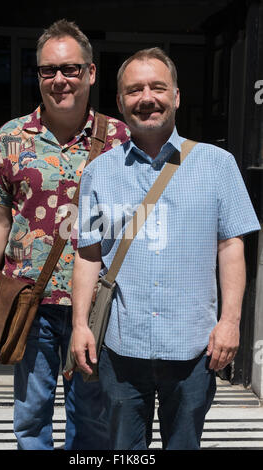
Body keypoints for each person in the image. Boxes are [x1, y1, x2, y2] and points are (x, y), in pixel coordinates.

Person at [71, 47, 261, 450]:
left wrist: (231, 322)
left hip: (193, 347)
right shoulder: (99, 173)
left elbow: (231, 247)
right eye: (134, 90)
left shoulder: (218, 164)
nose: (146, 98)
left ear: (176, 96)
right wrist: (80, 326)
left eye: (157, 87)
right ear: (121, 102)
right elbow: (88, 256)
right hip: (122, 349)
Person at [0, 19, 130, 450]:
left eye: (71, 69)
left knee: (92, 421)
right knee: (30, 417)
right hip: (29, 301)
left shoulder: (120, 139)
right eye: (48, 70)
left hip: (96, 304)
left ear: (91, 73)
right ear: (38, 74)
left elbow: (136, 222)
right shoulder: (11, 137)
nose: (59, 79)